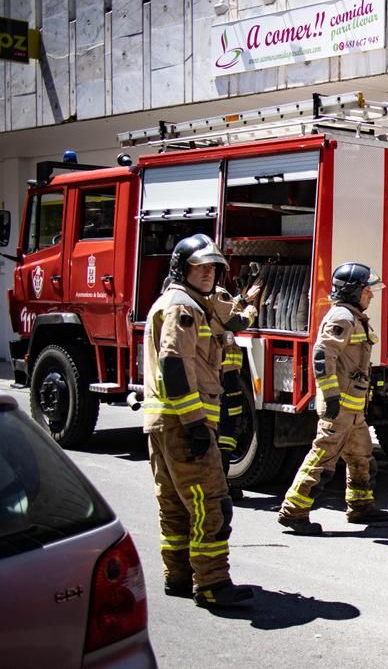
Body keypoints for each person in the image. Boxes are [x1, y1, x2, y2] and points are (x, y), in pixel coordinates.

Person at [143, 234, 254, 608]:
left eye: (213, 267)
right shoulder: (182, 307)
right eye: (200, 266)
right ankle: (212, 583)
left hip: (163, 422)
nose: (208, 272)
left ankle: (177, 576)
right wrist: (194, 424)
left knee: (175, 504)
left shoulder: (186, 303)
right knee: (212, 504)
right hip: (183, 422)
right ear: (181, 267)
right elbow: (175, 367)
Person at [278, 262, 388, 535]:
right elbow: (322, 356)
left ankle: (360, 505)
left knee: (361, 456)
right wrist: (330, 397)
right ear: (353, 292)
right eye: (367, 290)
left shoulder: (353, 316)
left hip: (353, 409)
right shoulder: (342, 317)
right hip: (339, 409)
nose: (371, 295)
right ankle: (293, 511)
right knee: (322, 461)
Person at [207, 278, 262, 501]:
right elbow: (235, 322)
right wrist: (250, 309)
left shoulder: (198, 294)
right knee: (229, 425)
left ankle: (217, 481)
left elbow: (219, 310)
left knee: (219, 425)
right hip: (225, 372)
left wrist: (240, 298)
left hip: (211, 371)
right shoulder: (216, 292)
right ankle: (220, 483)